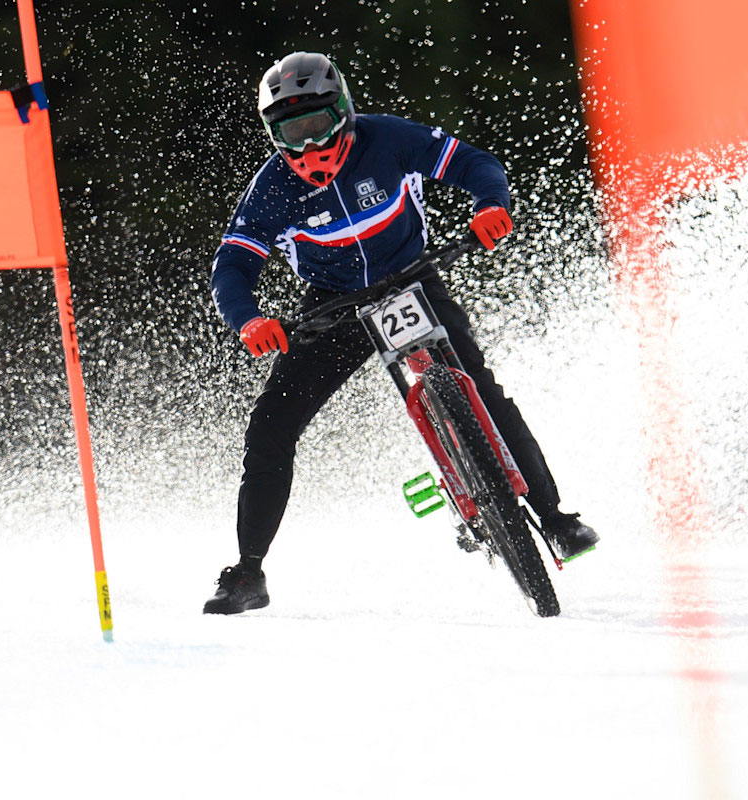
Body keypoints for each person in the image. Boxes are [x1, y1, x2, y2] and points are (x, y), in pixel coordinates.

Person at [204, 52, 598, 615]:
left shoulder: (388, 138)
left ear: (342, 111)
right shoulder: (270, 191)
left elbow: (474, 163)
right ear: (274, 136)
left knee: (483, 392)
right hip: (335, 307)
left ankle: (555, 520)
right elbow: (232, 268)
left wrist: (492, 204)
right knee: (271, 427)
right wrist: (249, 320)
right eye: (292, 132)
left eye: (316, 124)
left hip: (413, 280)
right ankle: (248, 574)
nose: (309, 146)